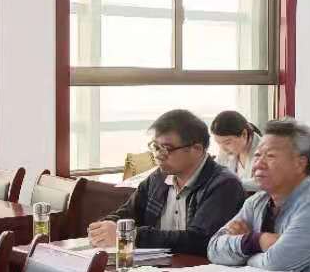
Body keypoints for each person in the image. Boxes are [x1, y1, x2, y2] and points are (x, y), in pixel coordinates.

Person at [208, 119, 310, 272]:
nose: (258, 164)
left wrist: (241, 255)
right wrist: (255, 240)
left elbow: (274, 264)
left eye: (270, 156)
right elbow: (214, 249)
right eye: (257, 155)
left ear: (299, 163)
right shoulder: (257, 201)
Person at [88, 109, 246, 256]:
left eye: (166, 149)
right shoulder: (159, 178)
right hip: (156, 266)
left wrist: (129, 235)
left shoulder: (224, 185)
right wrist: (105, 227)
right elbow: (128, 213)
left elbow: (199, 240)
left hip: (200, 269)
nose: (158, 155)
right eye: (156, 147)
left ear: (197, 149)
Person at [210, 109, 261, 190]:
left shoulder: (265, 150)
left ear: (244, 134)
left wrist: (229, 183)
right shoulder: (225, 150)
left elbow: (263, 182)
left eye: (227, 143)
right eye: (218, 143)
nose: (223, 148)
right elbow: (215, 172)